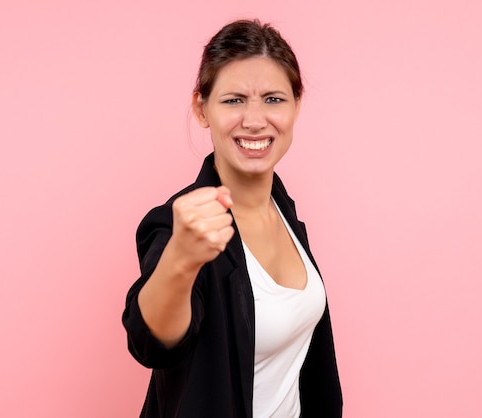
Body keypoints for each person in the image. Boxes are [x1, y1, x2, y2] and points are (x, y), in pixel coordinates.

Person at [122, 19, 342, 418]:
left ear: (297, 106)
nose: (255, 120)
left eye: (274, 99)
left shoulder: (282, 207)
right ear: (201, 109)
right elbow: (151, 342)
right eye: (233, 100)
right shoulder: (177, 226)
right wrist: (180, 260)